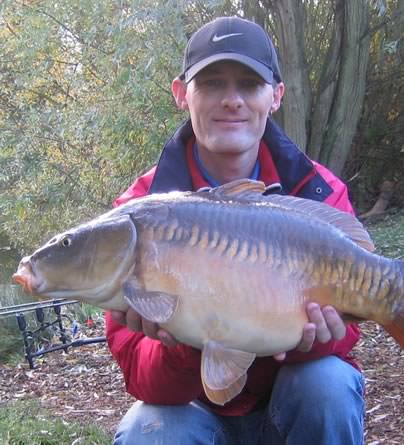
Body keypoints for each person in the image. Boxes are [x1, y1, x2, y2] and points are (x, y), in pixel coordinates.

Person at [107, 16, 364, 445]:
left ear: (276, 96)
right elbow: (142, 378)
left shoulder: (317, 192)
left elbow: (348, 330)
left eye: (248, 84)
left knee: (327, 385)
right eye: (211, 84)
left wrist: (312, 341)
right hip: (195, 414)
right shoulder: (138, 213)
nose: (232, 100)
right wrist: (187, 338)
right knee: (147, 430)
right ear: (180, 94)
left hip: (290, 398)